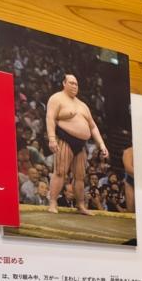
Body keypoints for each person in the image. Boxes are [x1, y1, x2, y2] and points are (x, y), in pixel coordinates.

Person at [46, 73, 108, 215]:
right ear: (64, 83)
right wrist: (52, 138)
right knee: (60, 171)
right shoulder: (57, 98)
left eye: (76, 84)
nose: (75, 86)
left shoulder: (83, 105)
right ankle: (53, 202)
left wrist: (102, 144)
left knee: (80, 176)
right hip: (65, 139)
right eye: (71, 83)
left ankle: (80, 205)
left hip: (81, 144)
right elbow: (50, 118)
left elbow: (93, 126)